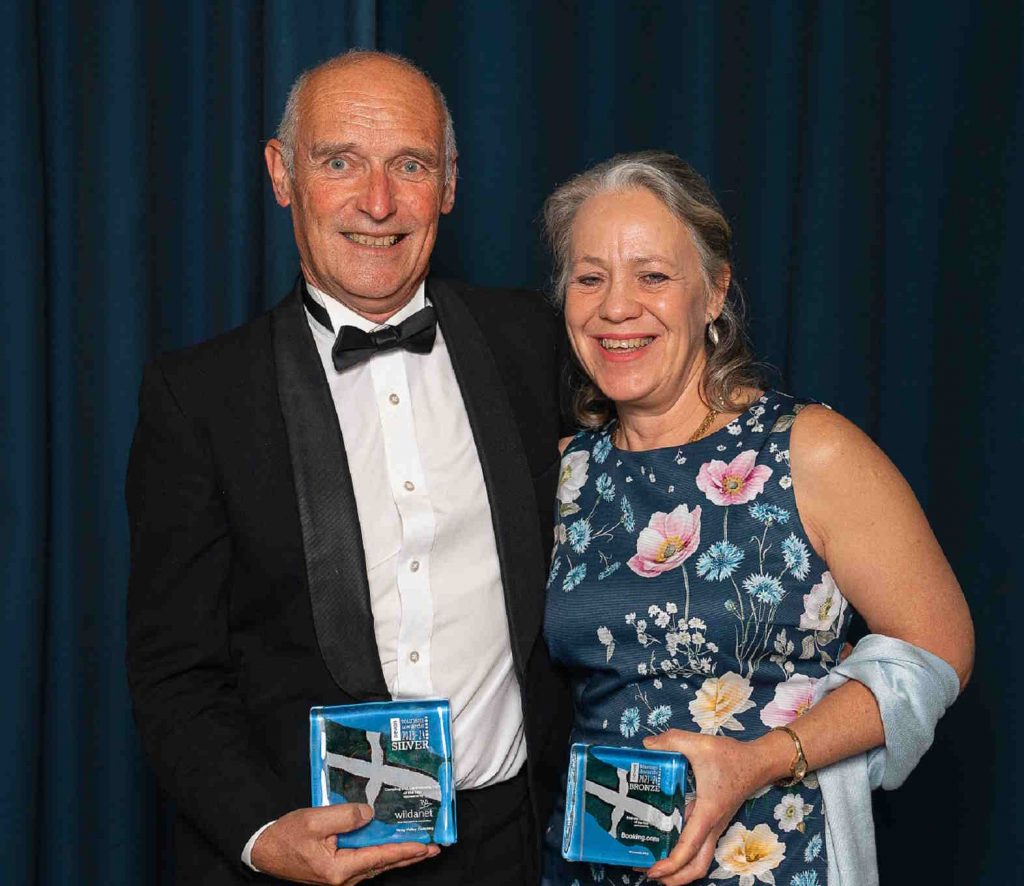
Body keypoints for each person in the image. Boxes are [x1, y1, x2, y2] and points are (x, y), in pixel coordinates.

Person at [126, 50, 568, 886]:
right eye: (340, 163)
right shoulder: (198, 398)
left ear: (449, 185)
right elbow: (173, 674)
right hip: (309, 859)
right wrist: (261, 834)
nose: (377, 202)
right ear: (281, 173)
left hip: (509, 844)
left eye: (411, 165)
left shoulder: (532, 344)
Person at [539, 151, 973, 885]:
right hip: (588, 866)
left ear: (714, 293)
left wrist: (760, 760)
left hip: (773, 861)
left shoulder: (810, 451)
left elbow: (939, 651)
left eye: (653, 276)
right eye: (590, 277)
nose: (616, 306)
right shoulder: (559, 474)